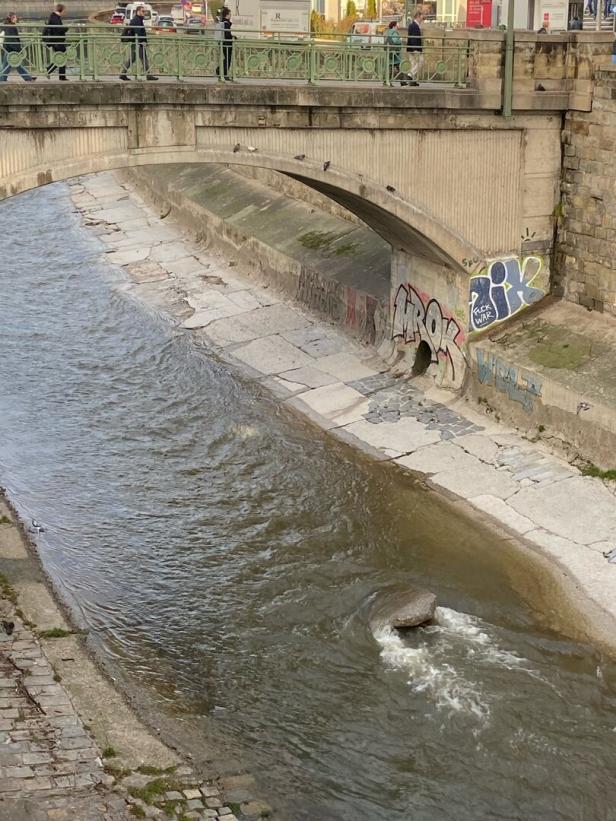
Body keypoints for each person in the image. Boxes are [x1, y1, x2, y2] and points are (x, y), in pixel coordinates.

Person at [119, 5, 158, 81]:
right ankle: (148, 75)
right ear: (138, 11)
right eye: (143, 11)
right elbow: (138, 32)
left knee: (132, 59)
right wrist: (143, 42)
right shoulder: (136, 20)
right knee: (144, 58)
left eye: (144, 11)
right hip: (138, 43)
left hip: (136, 42)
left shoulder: (138, 19)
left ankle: (123, 74)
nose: (144, 13)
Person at [0, 12, 36, 81]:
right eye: (15, 17)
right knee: (11, 65)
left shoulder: (8, 26)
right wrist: (18, 49)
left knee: (14, 65)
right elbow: (11, 39)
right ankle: (28, 78)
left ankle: (28, 78)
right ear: (12, 18)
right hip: (10, 49)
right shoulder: (11, 27)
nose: (16, 19)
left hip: (8, 48)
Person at [44, 4, 68, 81]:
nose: (65, 12)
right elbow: (59, 29)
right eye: (64, 10)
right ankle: (60, 76)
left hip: (57, 40)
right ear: (61, 10)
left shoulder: (55, 17)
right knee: (62, 57)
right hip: (56, 41)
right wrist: (66, 28)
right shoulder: (55, 17)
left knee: (60, 57)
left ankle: (52, 71)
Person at [385, 21, 405, 86]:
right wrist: (400, 40)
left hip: (391, 52)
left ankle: (387, 81)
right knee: (399, 67)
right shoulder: (394, 32)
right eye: (397, 24)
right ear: (394, 26)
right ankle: (402, 81)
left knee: (392, 67)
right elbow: (395, 40)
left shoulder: (389, 32)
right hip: (395, 53)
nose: (398, 25)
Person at [406, 10, 423, 87]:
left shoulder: (413, 25)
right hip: (415, 48)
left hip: (411, 48)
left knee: (413, 64)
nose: (422, 18)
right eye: (421, 16)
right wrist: (415, 49)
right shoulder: (414, 25)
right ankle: (410, 75)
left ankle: (413, 80)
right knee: (420, 62)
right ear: (418, 16)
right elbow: (413, 38)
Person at [221, 7, 233, 82]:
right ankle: (225, 74)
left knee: (226, 59)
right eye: (230, 14)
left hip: (224, 43)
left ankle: (220, 70)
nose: (230, 16)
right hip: (227, 44)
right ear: (227, 15)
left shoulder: (222, 22)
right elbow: (227, 34)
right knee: (228, 59)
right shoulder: (226, 24)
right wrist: (232, 37)